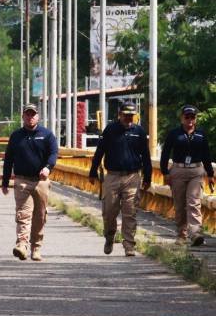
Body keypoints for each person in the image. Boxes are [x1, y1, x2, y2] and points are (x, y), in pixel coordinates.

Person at [89, 101, 152, 257]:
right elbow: (99, 152)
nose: (129, 119)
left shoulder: (139, 132)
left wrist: (148, 177)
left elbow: (146, 156)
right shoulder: (110, 130)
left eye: (131, 116)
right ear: (119, 115)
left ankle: (129, 245)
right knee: (109, 211)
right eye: (126, 115)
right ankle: (109, 236)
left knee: (129, 212)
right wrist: (92, 172)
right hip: (112, 177)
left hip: (132, 176)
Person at [2, 103, 58, 261]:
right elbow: (8, 160)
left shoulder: (47, 135)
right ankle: (21, 245)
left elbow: (53, 154)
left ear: (38, 116)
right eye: (27, 114)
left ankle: (36, 248)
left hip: (41, 182)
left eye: (33, 114)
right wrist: (5, 181)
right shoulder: (16, 136)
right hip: (22, 181)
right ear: (23, 116)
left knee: (40, 216)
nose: (30, 117)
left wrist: (48, 167)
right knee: (23, 214)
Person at [160, 105, 214, 246]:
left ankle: (196, 233)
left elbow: (206, 155)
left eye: (193, 117)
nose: (190, 119)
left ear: (195, 119)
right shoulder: (174, 134)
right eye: (187, 117)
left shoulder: (201, 134)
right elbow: (165, 153)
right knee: (180, 204)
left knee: (193, 202)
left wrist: (210, 174)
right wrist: (165, 172)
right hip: (178, 170)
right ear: (182, 118)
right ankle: (181, 234)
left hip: (196, 171)